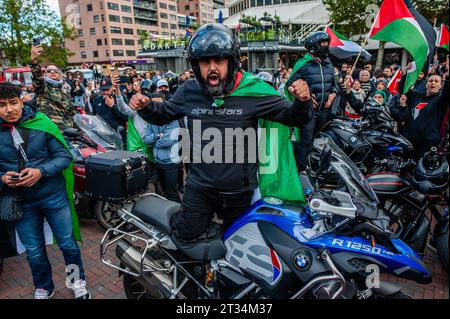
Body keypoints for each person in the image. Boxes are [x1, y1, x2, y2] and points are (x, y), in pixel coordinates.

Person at [128, 24, 312, 240]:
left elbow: (294, 118)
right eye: (205, 62)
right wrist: (146, 107)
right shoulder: (189, 90)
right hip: (199, 188)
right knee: (184, 237)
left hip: (239, 193)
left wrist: (302, 100)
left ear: (231, 62)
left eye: (219, 60)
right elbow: (164, 113)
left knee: (237, 244)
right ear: (197, 66)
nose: (212, 67)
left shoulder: (254, 91)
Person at [0, 83, 91, 299]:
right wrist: (2, 178)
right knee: (34, 252)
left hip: (53, 197)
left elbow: (64, 156)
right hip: (21, 202)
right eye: (2, 105)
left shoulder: (42, 123)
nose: (9, 109)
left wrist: (41, 171)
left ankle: (77, 282)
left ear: (22, 101)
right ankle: (44, 287)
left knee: (68, 244)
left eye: (13, 103)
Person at [285, 31, 339, 173]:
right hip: (310, 112)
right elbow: (289, 84)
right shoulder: (303, 64)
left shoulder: (329, 64)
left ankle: (318, 164)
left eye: (327, 43)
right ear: (314, 46)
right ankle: (301, 168)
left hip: (326, 112)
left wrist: (333, 94)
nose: (326, 47)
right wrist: (302, 94)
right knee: (306, 140)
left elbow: (335, 86)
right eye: (323, 44)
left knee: (323, 139)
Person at [390, 73, 449, 158]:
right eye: (430, 81)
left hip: (427, 142)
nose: (433, 83)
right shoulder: (416, 95)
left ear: (440, 86)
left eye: (436, 81)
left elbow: (447, 93)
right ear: (426, 84)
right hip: (408, 139)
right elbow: (403, 89)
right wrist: (408, 73)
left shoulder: (440, 100)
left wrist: (448, 78)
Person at [30, 45, 75, 131]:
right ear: (45, 74)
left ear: (59, 74)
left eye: (55, 71)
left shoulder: (64, 90)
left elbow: (71, 112)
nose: (52, 72)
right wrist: (34, 61)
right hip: (50, 131)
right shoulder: (43, 88)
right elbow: (37, 77)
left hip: (68, 132)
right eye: (49, 71)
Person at [143, 118, 181, 203]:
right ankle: (168, 213)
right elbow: (145, 139)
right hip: (158, 161)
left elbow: (166, 142)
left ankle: (179, 215)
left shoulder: (173, 121)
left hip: (171, 162)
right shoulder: (151, 120)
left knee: (172, 193)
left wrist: (153, 142)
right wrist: (157, 136)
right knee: (164, 191)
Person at [92, 78, 128, 145]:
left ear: (112, 87)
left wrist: (113, 106)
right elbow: (94, 116)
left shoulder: (120, 98)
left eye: (107, 89)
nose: (105, 92)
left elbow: (126, 118)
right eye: (103, 90)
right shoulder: (97, 100)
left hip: (119, 134)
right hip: (104, 135)